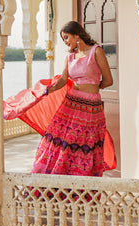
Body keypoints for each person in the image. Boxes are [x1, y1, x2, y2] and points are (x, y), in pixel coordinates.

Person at [30, 21, 114, 176]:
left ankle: (82, 186)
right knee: (63, 141)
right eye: (63, 39)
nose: (66, 42)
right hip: (70, 104)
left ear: (77, 35)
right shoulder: (70, 57)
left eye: (67, 37)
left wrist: (91, 88)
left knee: (84, 143)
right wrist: (49, 90)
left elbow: (109, 80)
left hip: (90, 107)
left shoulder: (96, 52)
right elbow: (62, 80)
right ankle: (55, 180)